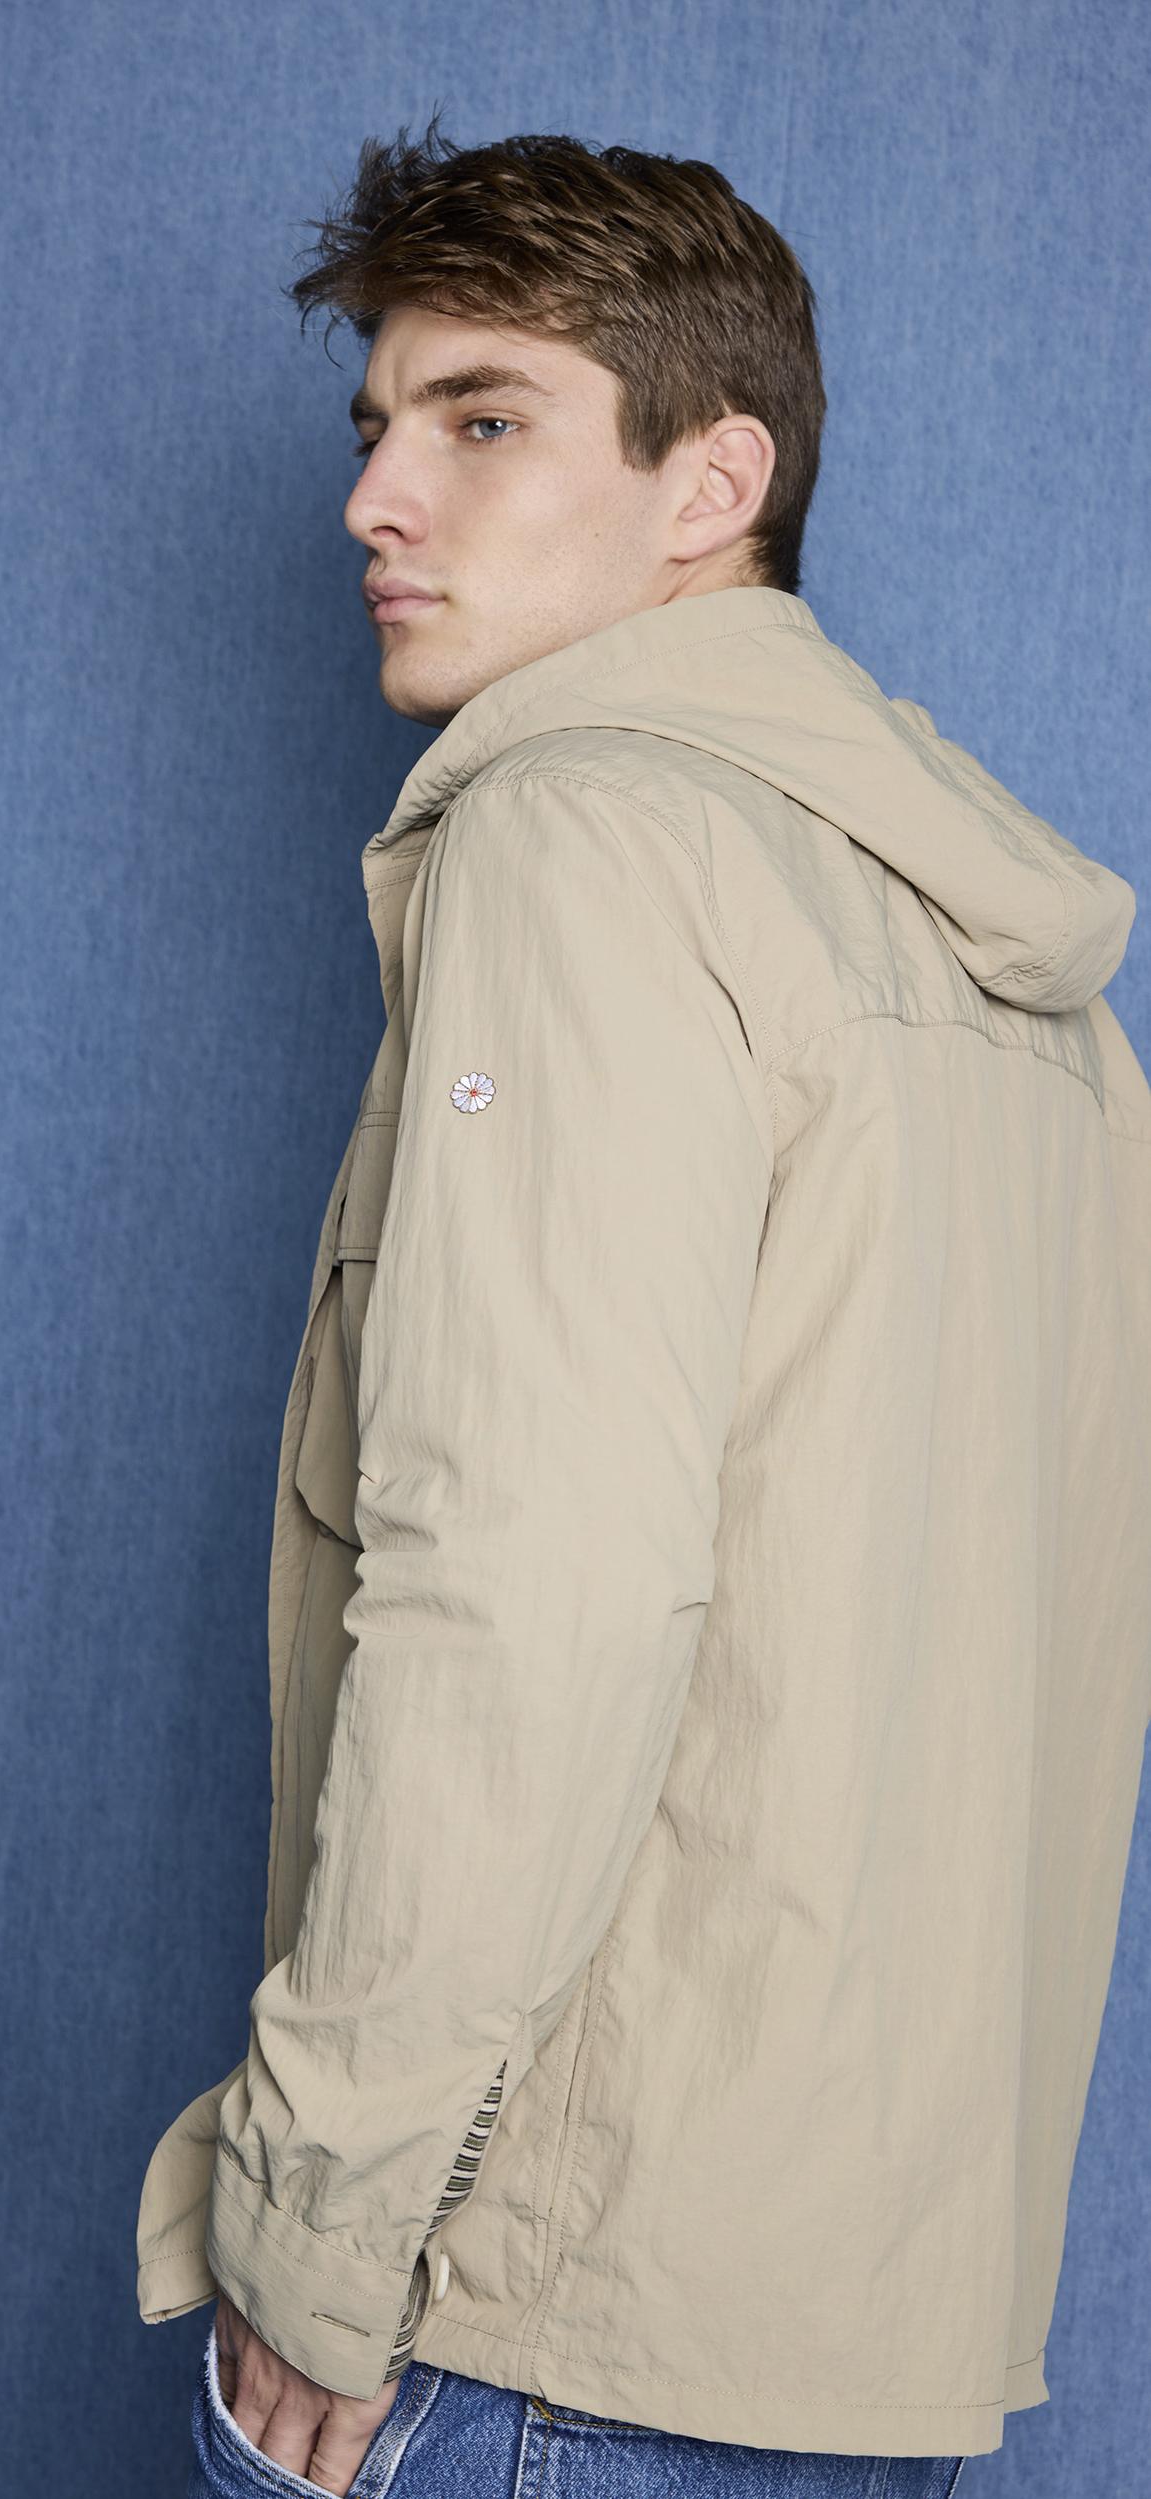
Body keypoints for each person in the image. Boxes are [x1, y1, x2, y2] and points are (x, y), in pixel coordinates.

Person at [135, 114, 1151, 2499]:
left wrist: (324, 2219)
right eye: (376, 425)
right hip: (863, 2343)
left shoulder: (585, 838)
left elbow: (535, 1585)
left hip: (547, 2320)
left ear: (716, 482)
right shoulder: (1027, 991)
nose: (378, 497)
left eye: (484, 419)